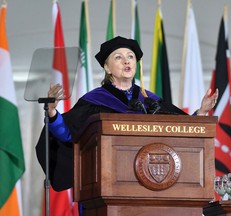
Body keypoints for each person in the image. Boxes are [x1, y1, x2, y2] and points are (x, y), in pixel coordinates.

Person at [36, 35, 218, 192]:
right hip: (107, 184)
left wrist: (201, 112)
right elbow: (69, 135)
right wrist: (52, 112)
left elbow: (179, 130)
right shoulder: (94, 101)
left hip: (153, 184)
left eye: (130, 56)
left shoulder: (151, 101)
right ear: (107, 68)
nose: (126, 61)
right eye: (118, 57)